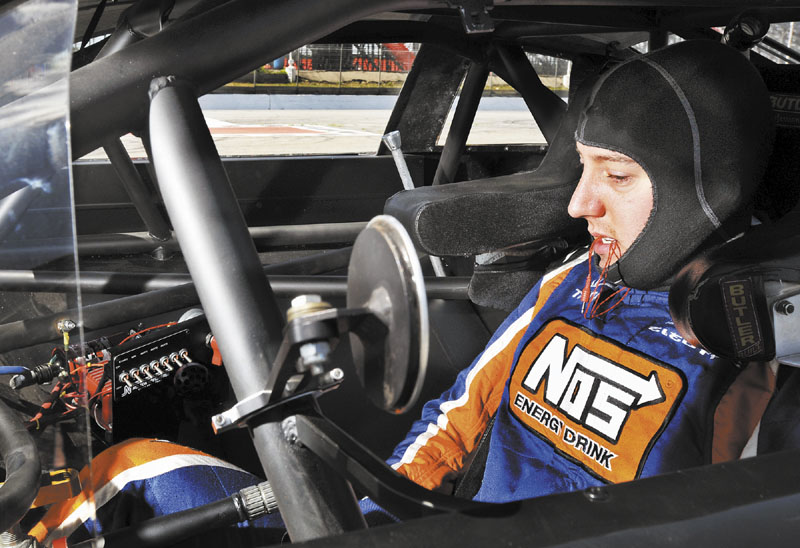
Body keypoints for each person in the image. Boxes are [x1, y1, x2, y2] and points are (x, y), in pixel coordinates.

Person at [30, 39, 776, 543]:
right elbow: (455, 422)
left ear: (701, 191)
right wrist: (362, 522)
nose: (579, 204)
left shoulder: (761, 346)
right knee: (121, 476)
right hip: (424, 527)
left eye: (615, 175)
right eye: (580, 169)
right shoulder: (572, 281)